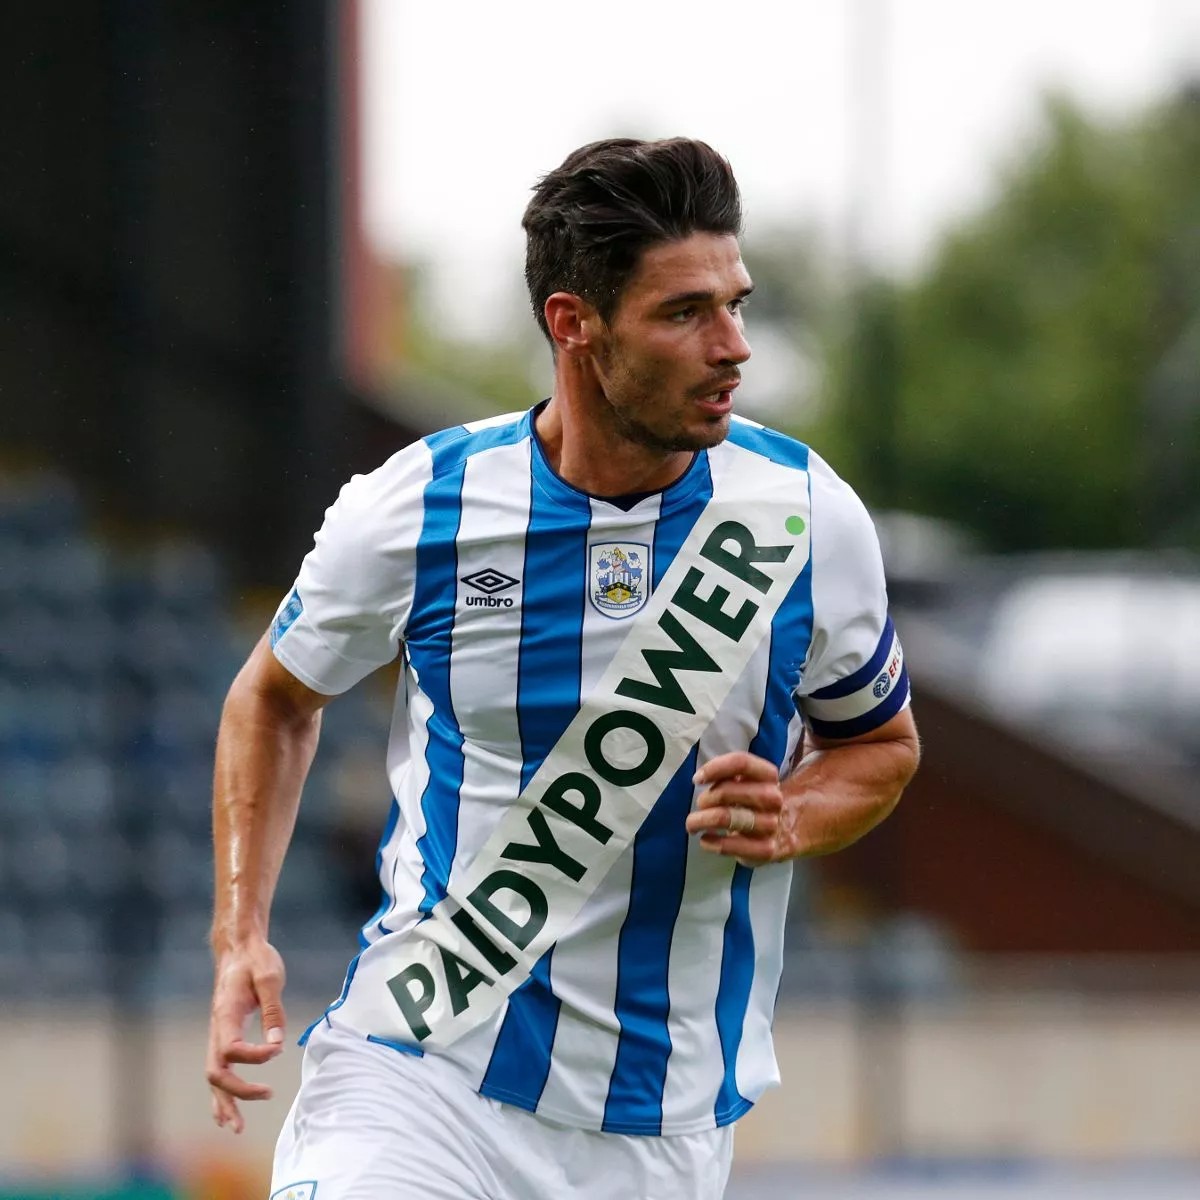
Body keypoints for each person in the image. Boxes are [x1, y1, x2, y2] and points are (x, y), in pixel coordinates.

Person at [207, 137, 920, 1200]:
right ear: (572, 323)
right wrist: (240, 934)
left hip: (659, 1129)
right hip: (421, 1072)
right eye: (685, 313)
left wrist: (796, 817)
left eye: (737, 303)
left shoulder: (808, 518)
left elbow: (880, 745)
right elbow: (274, 694)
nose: (733, 347)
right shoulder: (421, 507)